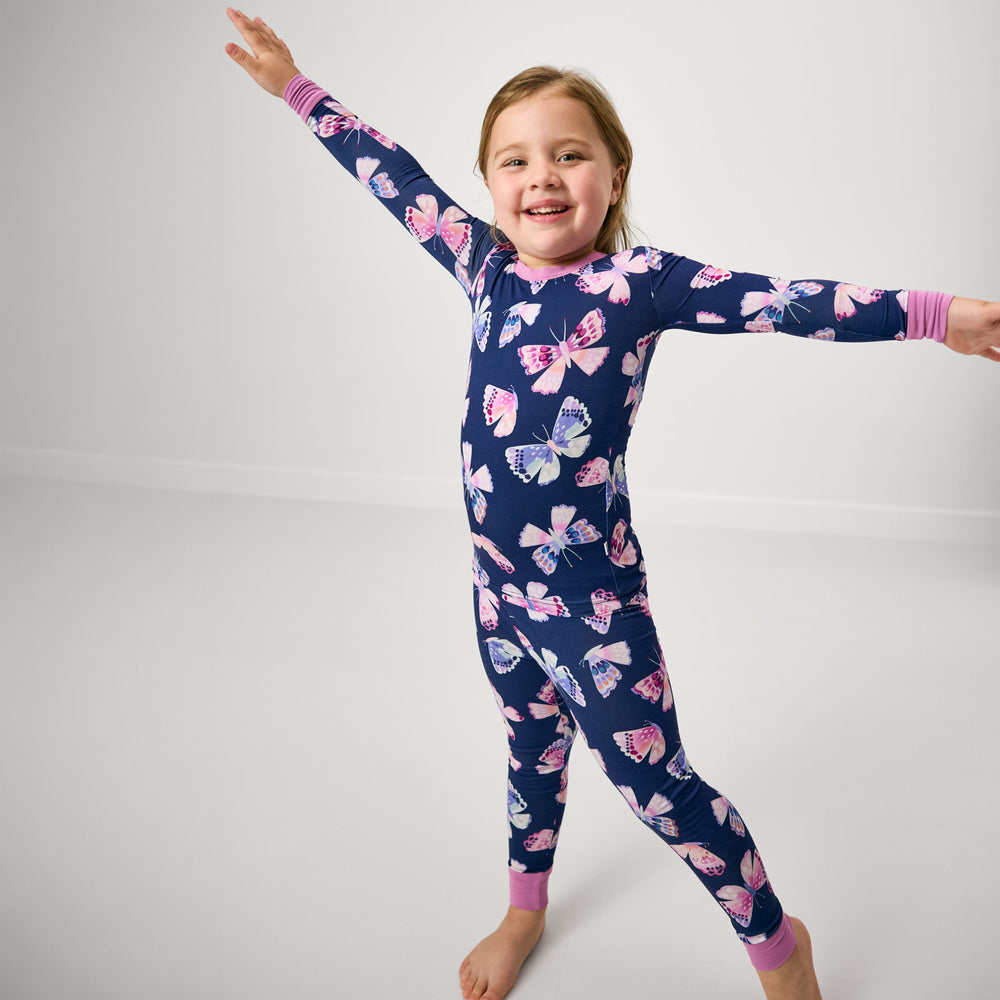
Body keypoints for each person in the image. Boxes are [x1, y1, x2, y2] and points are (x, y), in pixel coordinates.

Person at [223, 9, 1000, 999]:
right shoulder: (484, 267)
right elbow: (393, 176)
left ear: (615, 175)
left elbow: (782, 300)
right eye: (513, 160)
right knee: (529, 748)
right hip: (497, 593)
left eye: (569, 154)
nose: (541, 176)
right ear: (490, 187)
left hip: (593, 605)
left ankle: (778, 947)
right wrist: (296, 89)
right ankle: (525, 909)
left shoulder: (639, 285)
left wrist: (936, 317)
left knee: (657, 788)